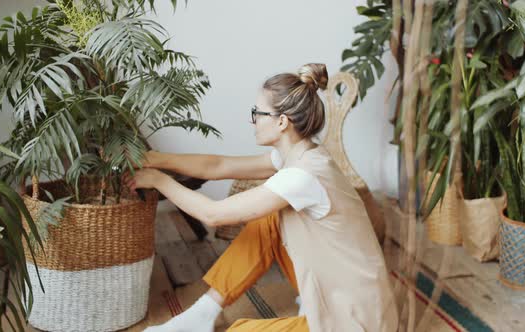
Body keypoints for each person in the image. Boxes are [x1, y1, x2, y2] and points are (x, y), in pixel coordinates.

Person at [125, 63, 398, 332]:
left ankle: (314, 313)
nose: (252, 119)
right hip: (333, 286)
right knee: (267, 221)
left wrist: (159, 180)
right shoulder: (300, 155)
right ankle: (201, 315)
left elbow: (214, 215)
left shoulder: (302, 176)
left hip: (356, 320)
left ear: (281, 122)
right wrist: (156, 159)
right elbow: (219, 166)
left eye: (257, 112)